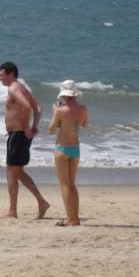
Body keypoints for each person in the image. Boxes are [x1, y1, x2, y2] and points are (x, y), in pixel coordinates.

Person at [0, 61, 50, 219]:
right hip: (19, 135)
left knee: (13, 171)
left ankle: (22, 208)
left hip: (18, 135)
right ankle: (24, 207)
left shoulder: (14, 88)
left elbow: (27, 106)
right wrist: (34, 126)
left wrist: (27, 128)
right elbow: (38, 106)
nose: (0, 78)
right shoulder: (20, 87)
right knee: (15, 172)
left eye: (1, 75)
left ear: (11, 74)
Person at [48, 79, 89, 226]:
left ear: (64, 95)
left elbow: (51, 130)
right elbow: (85, 124)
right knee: (72, 184)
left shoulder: (60, 110)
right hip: (75, 149)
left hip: (62, 148)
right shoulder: (83, 108)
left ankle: (70, 218)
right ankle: (75, 217)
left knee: (64, 185)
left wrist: (55, 113)